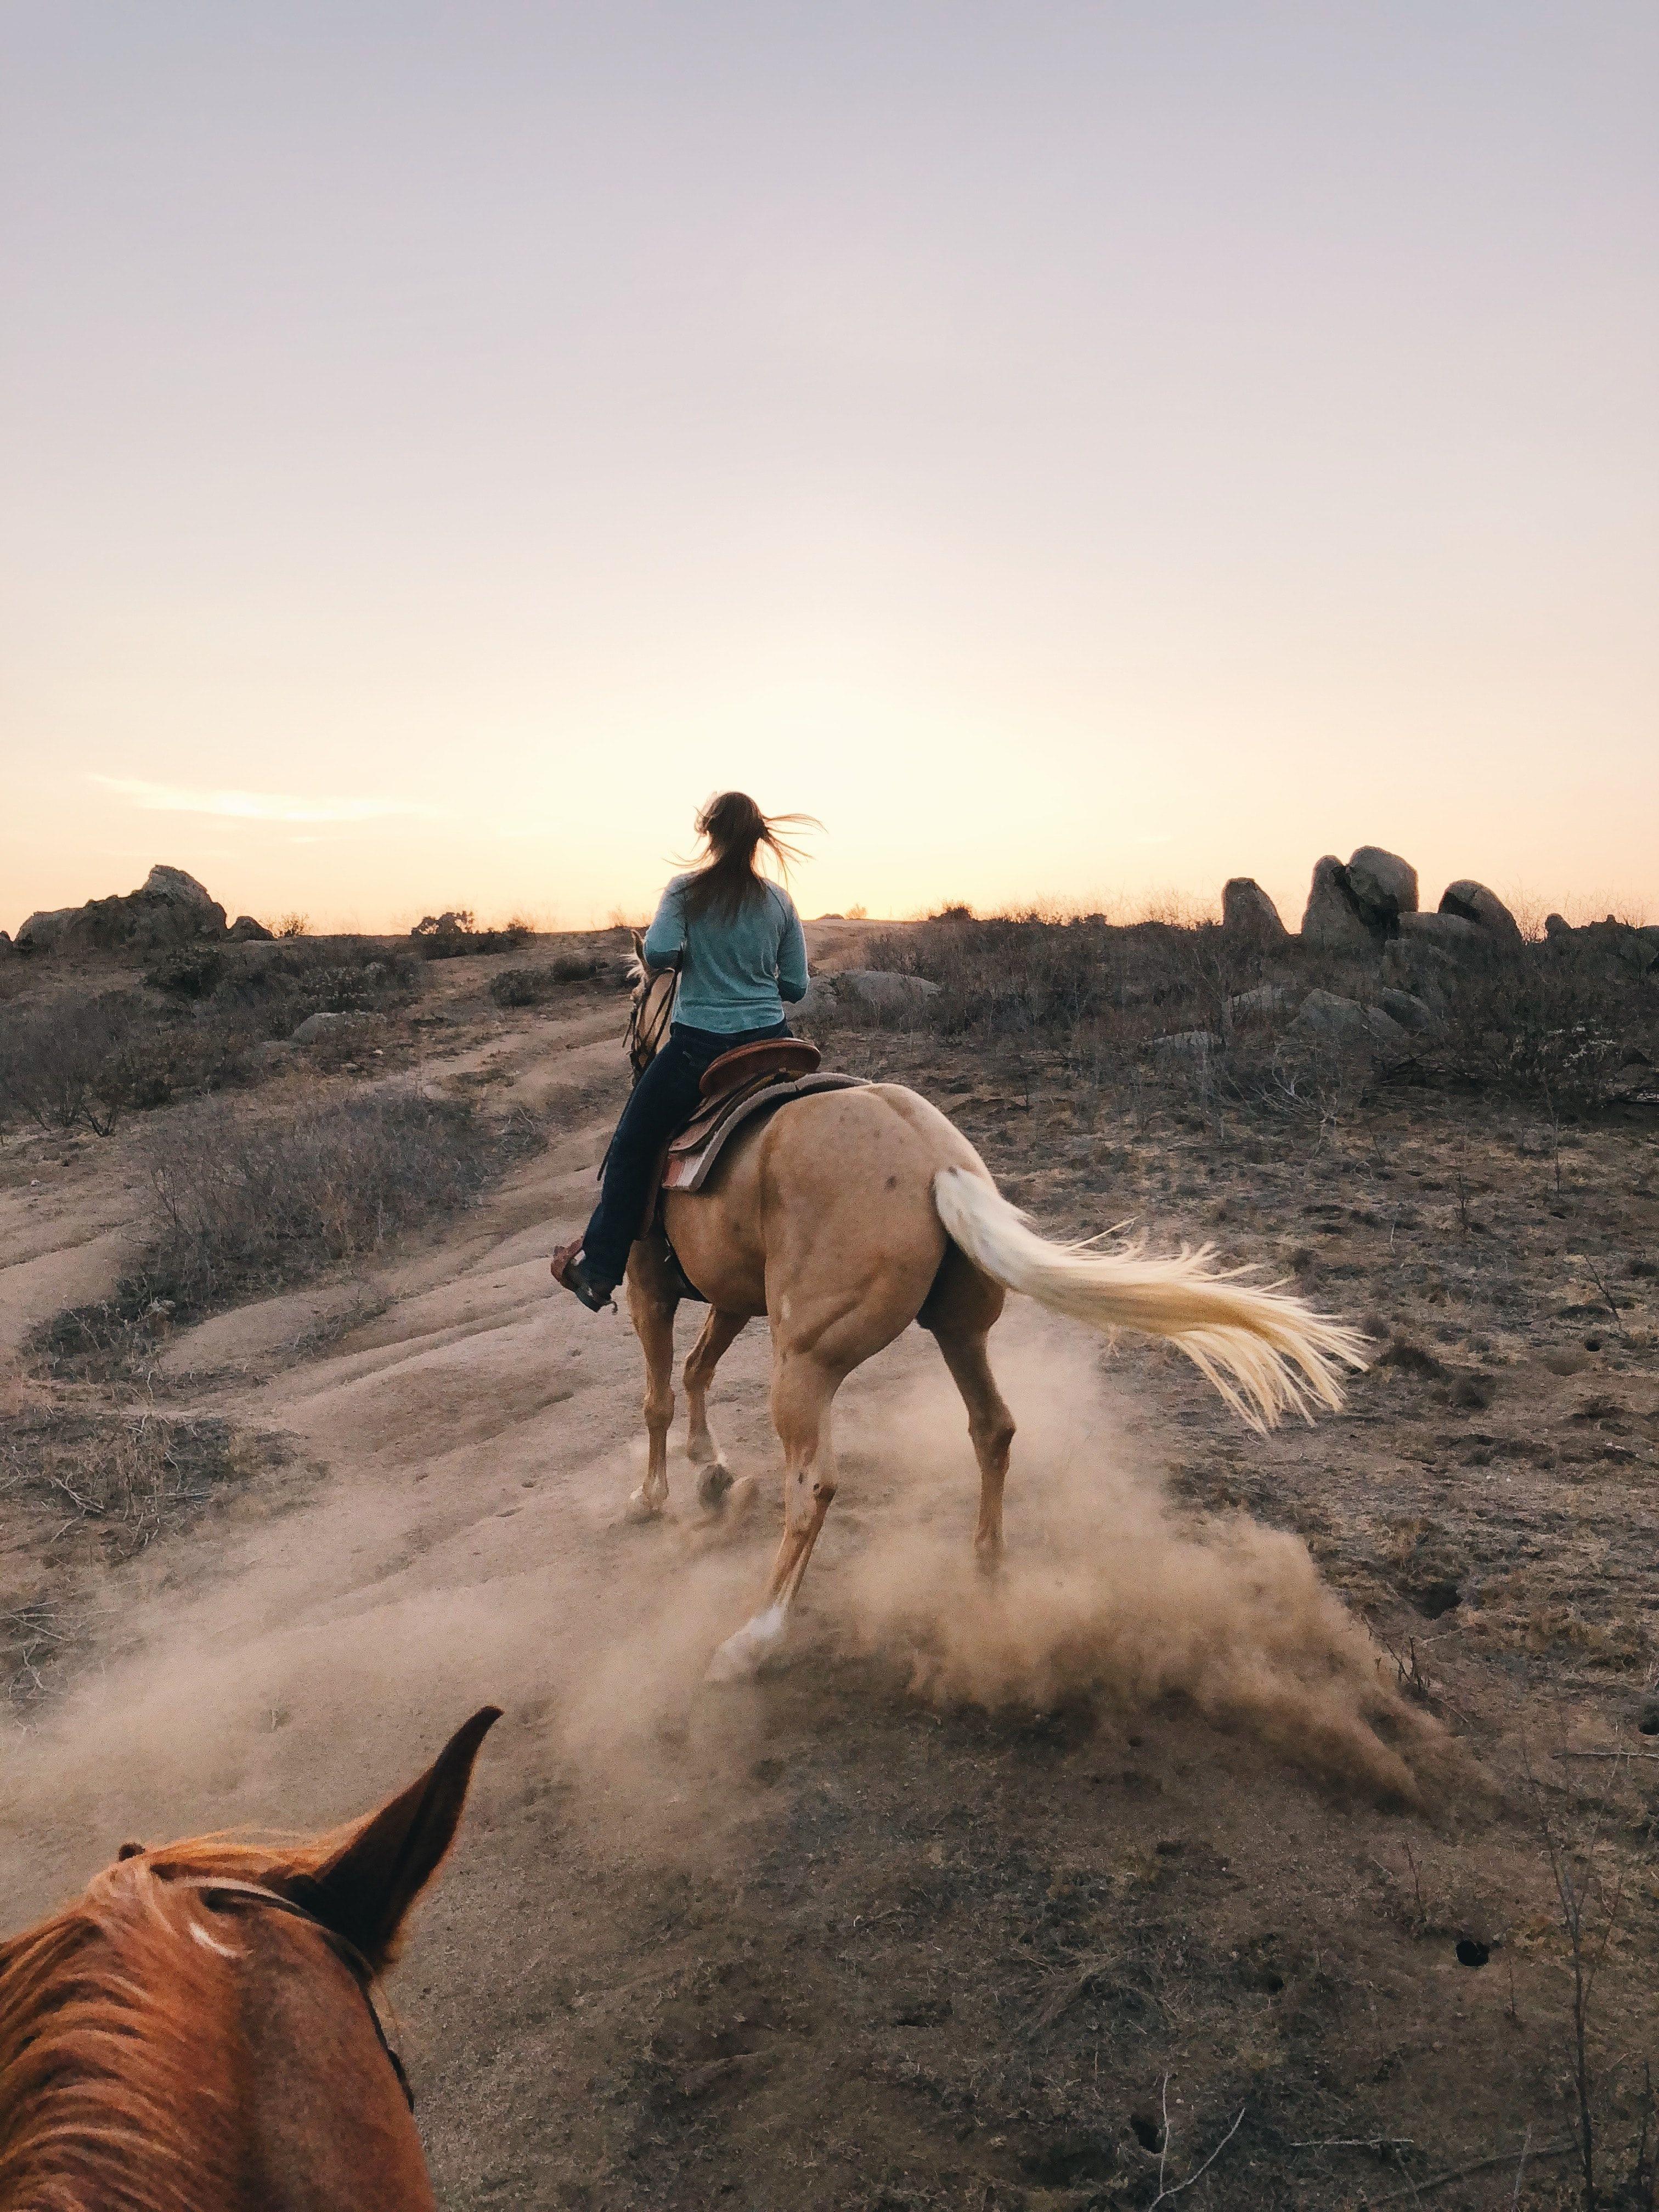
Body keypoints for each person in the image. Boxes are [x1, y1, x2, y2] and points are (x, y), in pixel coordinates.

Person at [552, 792, 814, 1310]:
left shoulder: (684, 891)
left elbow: (659, 955)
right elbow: (798, 987)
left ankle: (601, 1270)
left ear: (709, 834)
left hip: (702, 1048)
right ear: (759, 838)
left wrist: (701, 955)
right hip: (776, 1043)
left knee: (632, 1142)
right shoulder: (780, 901)